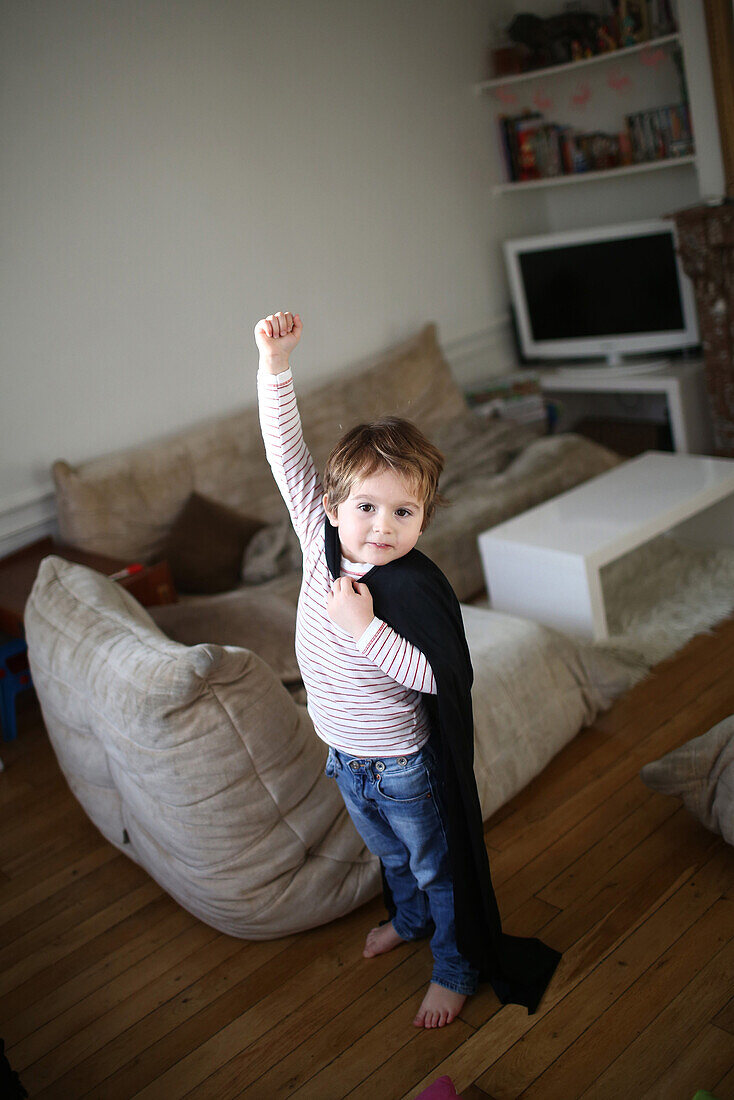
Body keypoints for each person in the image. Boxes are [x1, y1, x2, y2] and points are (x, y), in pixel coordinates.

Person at [253, 310, 562, 1029]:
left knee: (436, 865)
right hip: (343, 756)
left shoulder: (414, 587)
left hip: (400, 765)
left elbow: (437, 678)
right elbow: (284, 453)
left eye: (404, 512)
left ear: (425, 519)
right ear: (331, 509)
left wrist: (363, 631)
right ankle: (412, 921)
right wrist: (276, 364)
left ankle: (454, 965)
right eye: (366, 506)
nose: (383, 526)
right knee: (393, 861)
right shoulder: (318, 539)